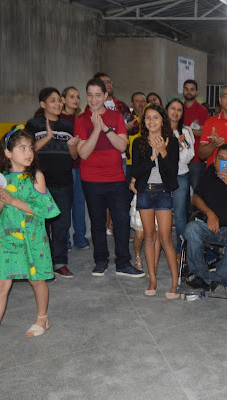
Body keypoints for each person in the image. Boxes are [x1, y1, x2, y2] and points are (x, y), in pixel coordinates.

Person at [0, 128, 61, 351]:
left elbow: (45, 209)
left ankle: (42, 318)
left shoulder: (36, 176)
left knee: (36, 280)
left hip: (33, 238)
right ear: (8, 153)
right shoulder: (2, 179)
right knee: (0, 284)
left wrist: (13, 201)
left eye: (30, 148)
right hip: (7, 240)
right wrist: (1, 201)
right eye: (22, 148)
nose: (28, 153)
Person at [75, 78, 141, 277]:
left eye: (98, 95)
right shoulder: (81, 120)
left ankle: (123, 262)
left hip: (116, 178)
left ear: (105, 96)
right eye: (90, 95)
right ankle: (101, 260)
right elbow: (83, 153)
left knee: (121, 220)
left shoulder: (116, 116)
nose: (93, 99)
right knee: (97, 221)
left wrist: (104, 128)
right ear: (86, 96)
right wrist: (96, 130)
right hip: (91, 179)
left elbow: (122, 146)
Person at [25, 87, 79, 279]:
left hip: (64, 182)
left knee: (62, 224)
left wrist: (73, 147)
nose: (57, 104)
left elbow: (74, 156)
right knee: (40, 224)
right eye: (52, 100)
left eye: (59, 100)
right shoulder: (33, 124)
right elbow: (27, 151)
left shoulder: (67, 125)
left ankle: (60, 263)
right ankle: (41, 263)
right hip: (40, 184)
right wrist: (47, 137)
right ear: (43, 104)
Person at [183, 144, 227, 295]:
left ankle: (219, 279)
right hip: (209, 226)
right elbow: (196, 198)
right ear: (215, 161)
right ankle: (201, 276)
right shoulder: (208, 175)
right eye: (221, 158)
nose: (224, 163)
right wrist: (210, 214)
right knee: (191, 228)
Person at [130, 103, 180, 299]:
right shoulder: (138, 143)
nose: (151, 121)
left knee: (166, 238)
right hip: (145, 193)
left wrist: (163, 151)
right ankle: (152, 280)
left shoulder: (171, 141)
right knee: (149, 237)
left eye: (156, 117)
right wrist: (152, 157)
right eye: (148, 118)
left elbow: (172, 172)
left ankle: (175, 283)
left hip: (163, 192)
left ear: (162, 121)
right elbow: (135, 171)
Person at [61, 86, 90, 251]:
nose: (76, 100)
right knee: (65, 204)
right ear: (63, 99)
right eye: (71, 96)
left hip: (80, 166)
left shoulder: (80, 118)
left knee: (79, 203)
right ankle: (65, 240)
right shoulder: (58, 119)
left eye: (78, 97)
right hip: (65, 167)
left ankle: (80, 238)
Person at [166, 99, 195, 257]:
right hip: (161, 177)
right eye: (173, 108)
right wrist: (173, 147)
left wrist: (179, 149)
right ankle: (163, 245)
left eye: (179, 109)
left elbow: (188, 157)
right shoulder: (159, 130)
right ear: (166, 110)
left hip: (181, 176)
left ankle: (180, 249)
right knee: (162, 213)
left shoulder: (186, 131)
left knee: (180, 214)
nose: (175, 112)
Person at [182, 80, 210, 192]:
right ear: (183, 91)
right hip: (179, 158)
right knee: (181, 192)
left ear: (197, 92)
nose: (189, 92)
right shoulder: (178, 108)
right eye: (186, 89)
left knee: (197, 191)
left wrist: (186, 130)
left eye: (192, 89)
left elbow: (205, 133)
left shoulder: (202, 110)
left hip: (196, 159)